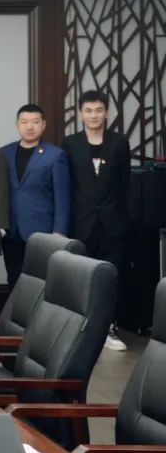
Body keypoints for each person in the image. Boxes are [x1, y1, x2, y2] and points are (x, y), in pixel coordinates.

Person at [62, 90, 131, 351]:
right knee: (82, 278)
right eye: (88, 110)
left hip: (113, 224)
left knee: (111, 278)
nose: (94, 115)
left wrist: (123, 219)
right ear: (80, 114)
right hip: (82, 223)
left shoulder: (119, 142)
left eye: (99, 110)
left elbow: (125, 184)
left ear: (107, 113)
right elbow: (68, 186)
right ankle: (82, 330)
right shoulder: (70, 143)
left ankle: (109, 328)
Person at [0, 103, 70, 286]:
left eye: (35, 122)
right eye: (24, 122)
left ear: (43, 125)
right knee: (14, 279)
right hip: (11, 230)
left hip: (42, 230)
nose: (29, 127)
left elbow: (62, 197)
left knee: (39, 281)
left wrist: (59, 231)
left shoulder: (55, 155)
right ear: (17, 124)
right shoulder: (4, 153)